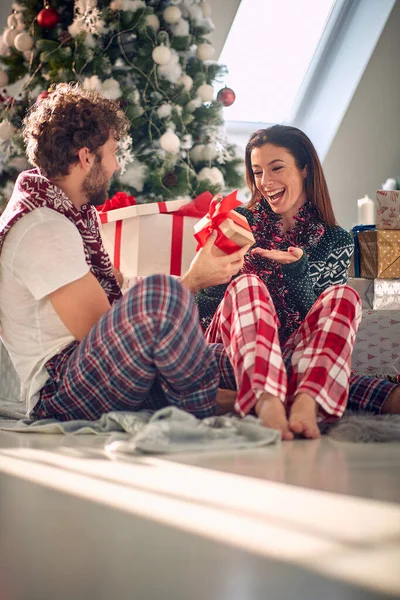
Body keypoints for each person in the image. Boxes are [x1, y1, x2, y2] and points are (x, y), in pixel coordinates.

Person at [196, 125, 400, 437]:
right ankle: (270, 402)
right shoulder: (241, 222)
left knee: (344, 296)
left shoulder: (336, 240)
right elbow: (206, 305)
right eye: (258, 171)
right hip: (231, 348)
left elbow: (320, 328)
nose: (266, 182)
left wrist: (298, 273)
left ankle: (307, 400)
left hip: (296, 352)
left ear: (305, 169)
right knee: (249, 285)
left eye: (277, 168)